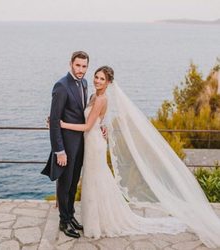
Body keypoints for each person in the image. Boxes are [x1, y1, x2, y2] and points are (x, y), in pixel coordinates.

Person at [60, 66, 220, 248]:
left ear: (109, 82)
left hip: (94, 144)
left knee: (96, 180)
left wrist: (63, 124)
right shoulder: (93, 96)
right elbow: (97, 120)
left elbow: (87, 127)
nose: (97, 81)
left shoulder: (101, 99)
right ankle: (94, 220)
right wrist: (102, 125)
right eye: (96, 77)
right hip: (93, 141)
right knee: (93, 180)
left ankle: (97, 224)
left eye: (102, 79)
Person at [41, 51, 89, 239]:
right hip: (66, 147)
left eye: (84, 66)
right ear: (71, 64)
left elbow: (83, 113)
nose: (81, 70)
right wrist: (59, 150)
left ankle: (71, 216)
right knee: (65, 183)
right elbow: (54, 121)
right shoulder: (61, 86)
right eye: (78, 65)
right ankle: (63, 221)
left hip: (80, 144)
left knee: (73, 183)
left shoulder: (84, 83)